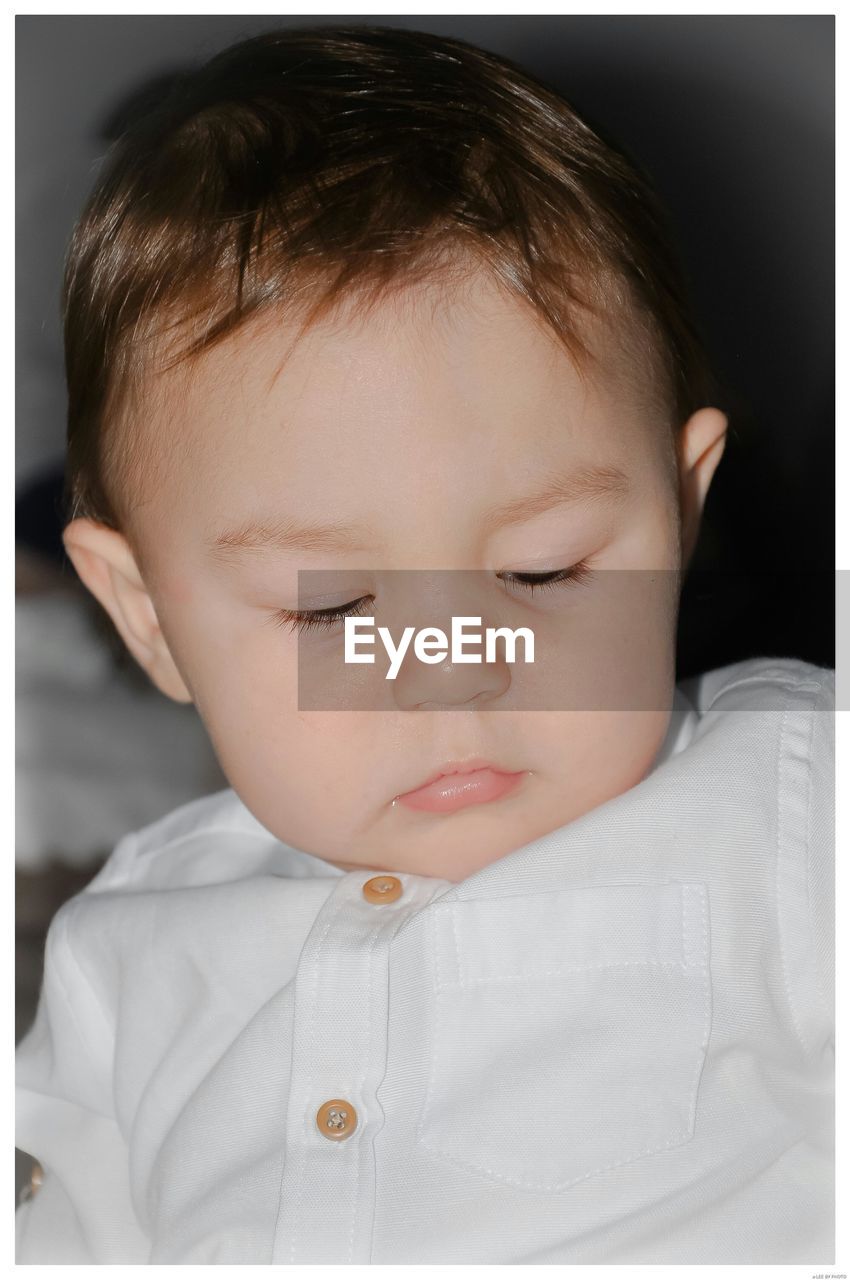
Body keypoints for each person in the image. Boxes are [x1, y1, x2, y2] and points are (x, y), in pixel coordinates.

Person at [15, 25, 834, 1264]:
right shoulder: (127, 940)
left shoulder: (794, 798)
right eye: (331, 609)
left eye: (542, 569)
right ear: (149, 618)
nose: (448, 665)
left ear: (680, 510)